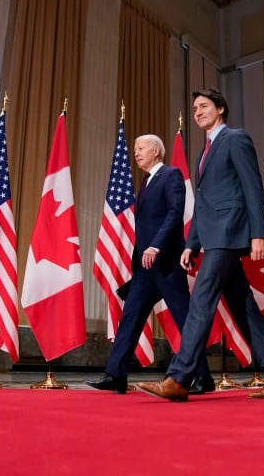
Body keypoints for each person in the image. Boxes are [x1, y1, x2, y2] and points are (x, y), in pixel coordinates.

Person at [137, 88, 264, 402]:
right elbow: (205, 204)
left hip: (231, 233)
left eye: (204, 106)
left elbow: (252, 185)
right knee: (242, 305)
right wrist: (191, 243)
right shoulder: (202, 154)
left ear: (220, 109)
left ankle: (180, 377)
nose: (197, 112)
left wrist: (258, 233)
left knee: (202, 299)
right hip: (211, 236)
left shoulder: (236, 138)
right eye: (195, 108)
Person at [85, 134, 214, 395]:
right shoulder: (145, 182)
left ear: (156, 151)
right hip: (145, 268)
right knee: (130, 317)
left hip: (166, 262)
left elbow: (174, 213)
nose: (136, 153)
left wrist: (156, 245)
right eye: (135, 149)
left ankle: (203, 376)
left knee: (184, 318)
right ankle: (115, 375)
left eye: (141, 148)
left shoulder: (171, 175)